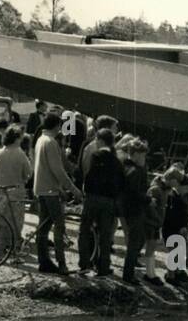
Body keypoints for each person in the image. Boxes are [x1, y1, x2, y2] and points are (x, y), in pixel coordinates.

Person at [32, 111, 82, 274]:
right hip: (50, 190)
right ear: (57, 126)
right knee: (59, 227)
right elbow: (57, 170)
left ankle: (44, 261)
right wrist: (73, 190)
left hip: (41, 188)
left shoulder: (41, 139)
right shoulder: (51, 142)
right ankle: (61, 264)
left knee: (43, 227)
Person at [78, 127, 125, 277]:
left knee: (85, 231)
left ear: (100, 140)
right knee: (105, 236)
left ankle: (84, 264)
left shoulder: (96, 156)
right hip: (109, 201)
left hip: (93, 198)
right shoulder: (117, 161)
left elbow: (89, 177)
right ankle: (103, 266)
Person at [0, 124, 32, 257]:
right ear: (17, 138)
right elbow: (28, 173)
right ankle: (14, 251)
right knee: (15, 222)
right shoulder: (20, 154)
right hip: (15, 191)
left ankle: (0, 252)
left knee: (0, 222)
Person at [120, 138, 150, 284]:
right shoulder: (136, 171)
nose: (144, 158)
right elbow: (134, 193)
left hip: (127, 210)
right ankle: (128, 275)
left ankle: (128, 272)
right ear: (136, 154)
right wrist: (148, 199)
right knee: (134, 243)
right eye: (143, 155)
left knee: (135, 242)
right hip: (135, 210)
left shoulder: (126, 167)